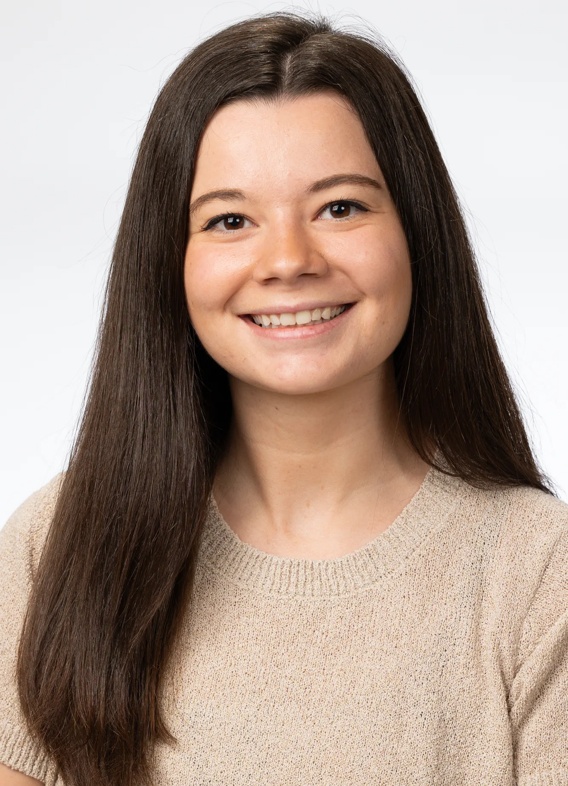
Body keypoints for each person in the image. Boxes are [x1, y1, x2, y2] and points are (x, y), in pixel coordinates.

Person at [0, 11, 566, 786]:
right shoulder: (58, 545)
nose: (289, 260)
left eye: (341, 207)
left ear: (416, 233)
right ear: (170, 261)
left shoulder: (539, 573)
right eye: (229, 220)